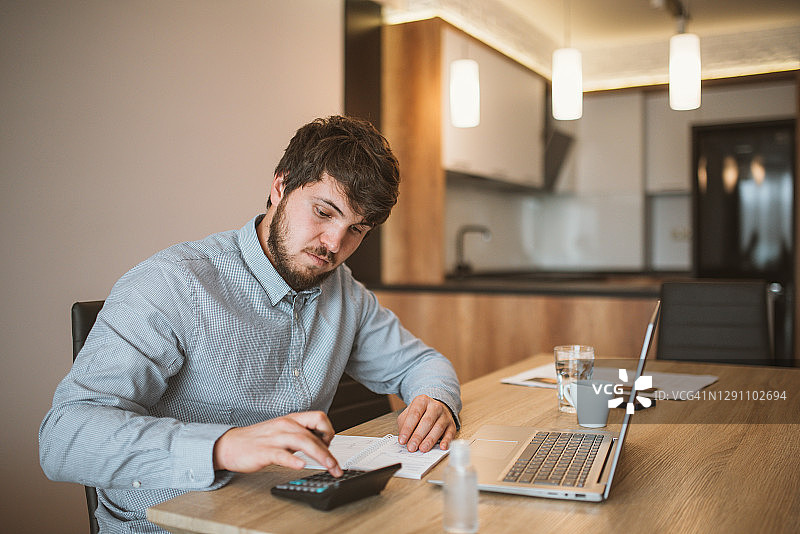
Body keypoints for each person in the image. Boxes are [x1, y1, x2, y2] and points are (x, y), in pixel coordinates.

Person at [40, 115, 462, 533]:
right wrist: (222, 446)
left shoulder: (342, 290)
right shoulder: (173, 283)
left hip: (288, 517)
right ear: (280, 186)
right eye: (323, 212)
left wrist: (435, 400)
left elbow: (421, 364)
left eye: (356, 230)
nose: (334, 244)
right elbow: (64, 439)